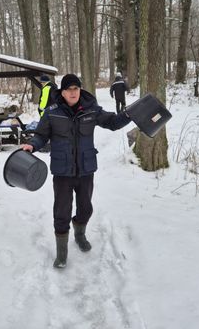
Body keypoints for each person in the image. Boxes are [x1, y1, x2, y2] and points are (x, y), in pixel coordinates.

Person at [22, 74, 131, 268]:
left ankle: (80, 234)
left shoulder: (91, 109)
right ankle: (62, 252)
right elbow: (40, 135)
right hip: (62, 171)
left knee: (85, 208)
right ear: (62, 92)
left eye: (76, 89)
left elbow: (113, 122)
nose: (73, 92)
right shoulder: (52, 112)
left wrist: (129, 115)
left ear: (80, 90)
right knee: (61, 211)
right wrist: (32, 145)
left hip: (85, 169)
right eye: (69, 89)